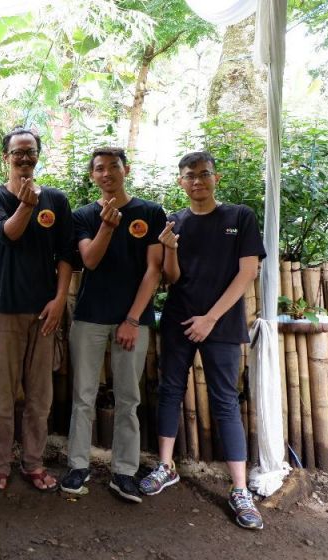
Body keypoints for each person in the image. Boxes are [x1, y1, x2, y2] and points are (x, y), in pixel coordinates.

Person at [139, 151, 265, 530]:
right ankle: (166, 466)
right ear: (181, 182)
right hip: (179, 319)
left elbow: (248, 272)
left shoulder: (239, 217)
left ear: (216, 177)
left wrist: (211, 318)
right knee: (169, 390)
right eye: (190, 176)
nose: (198, 181)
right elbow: (171, 278)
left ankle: (239, 489)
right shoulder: (174, 222)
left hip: (221, 324)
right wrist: (170, 248)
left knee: (225, 400)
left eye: (204, 174)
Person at [60, 147, 165, 502]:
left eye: (114, 167)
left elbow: (154, 269)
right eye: (100, 169)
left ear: (126, 170)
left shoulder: (150, 212)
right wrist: (107, 225)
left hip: (133, 320)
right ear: (93, 176)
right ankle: (78, 465)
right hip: (90, 316)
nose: (107, 173)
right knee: (83, 396)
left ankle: (124, 471)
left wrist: (133, 319)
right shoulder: (83, 216)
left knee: (128, 398)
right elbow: (89, 260)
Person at [0, 127, 74, 492]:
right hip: (3, 311)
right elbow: (8, 234)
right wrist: (28, 204)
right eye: (17, 152)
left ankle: (33, 462)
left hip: (44, 314)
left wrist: (60, 300)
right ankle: (0, 464)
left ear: (37, 156)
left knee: (40, 398)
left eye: (30, 151)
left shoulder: (56, 200)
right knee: (2, 398)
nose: (24, 158)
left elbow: (66, 254)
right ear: (6, 157)